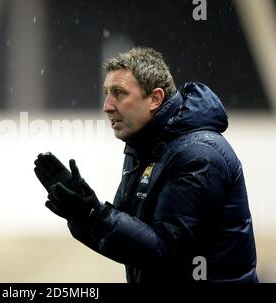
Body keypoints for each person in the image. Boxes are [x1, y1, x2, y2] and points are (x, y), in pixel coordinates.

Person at [33, 47, 258, 283]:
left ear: (155, 99)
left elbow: (167, 252)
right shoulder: (142, 146)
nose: (107, 105)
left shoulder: (198, 155)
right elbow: (131, 245)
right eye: (106, 93)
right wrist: (82, 213)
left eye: (119, 93)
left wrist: (94, 216)